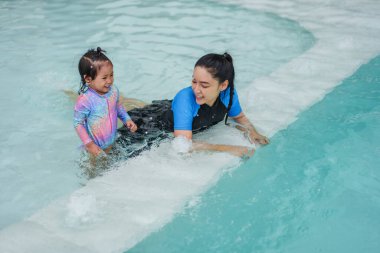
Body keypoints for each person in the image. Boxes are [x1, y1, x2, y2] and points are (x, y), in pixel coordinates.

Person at [118, 52, 269, 157]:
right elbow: (183, 145)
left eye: (204, 85)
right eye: (194, 81)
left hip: (174, 110)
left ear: (223, 85)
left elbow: (240, 117)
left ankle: (121, 100)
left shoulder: (228, 95)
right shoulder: (185, 98)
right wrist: (228, 148)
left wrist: (253, 132)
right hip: (153, 123)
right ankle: (116, 100)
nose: (196, 89)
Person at [73, 47, 138, 158]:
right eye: (104, 77)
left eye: (111, 75)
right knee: (95, 172)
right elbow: (78, 123)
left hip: (111, 140)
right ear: (88, 79)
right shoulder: (85, 100)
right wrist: (89, 144)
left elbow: (117, 106)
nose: (109, 80)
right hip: (95, 148)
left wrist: (126, 119)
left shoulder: (113, 91)